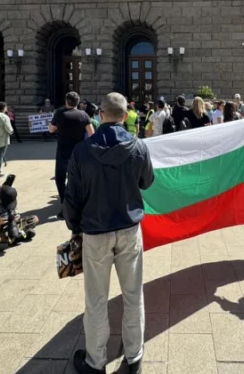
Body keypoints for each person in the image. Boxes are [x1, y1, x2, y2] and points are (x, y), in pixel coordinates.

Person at [65, 92, 154, 374]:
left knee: (96, 299)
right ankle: (134, 355)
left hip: (95, 231)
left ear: (100, 115)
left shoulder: (82, 150)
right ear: (126, 115)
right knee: (133, 294)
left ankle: (96, 361)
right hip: (129, 229)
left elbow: (72, 197)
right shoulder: (138, 147)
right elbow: (147, 182)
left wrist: (74, 227)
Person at [49, 91, 94, 213]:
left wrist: (59, 127)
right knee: (76, 176)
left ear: (66, 101)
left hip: (63, 150)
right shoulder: (83, 115)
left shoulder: (59, 113)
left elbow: (51, 129)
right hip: (78, 151)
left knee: (60, 176)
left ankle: (64, 199)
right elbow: (91, 134)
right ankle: (75, 199)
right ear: (78, 102)